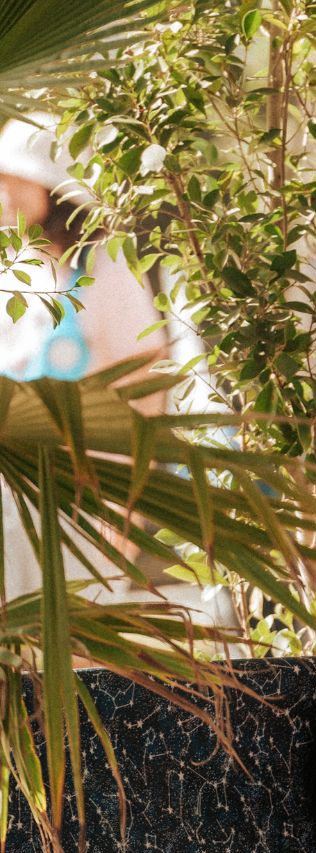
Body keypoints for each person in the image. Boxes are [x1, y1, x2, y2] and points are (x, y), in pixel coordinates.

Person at [0, 115, 167, 597]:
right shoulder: (11, 268)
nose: (4, 194)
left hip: (85, 506)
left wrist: (129, 504)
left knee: (77, 634)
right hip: (11, 503)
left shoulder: (104, 267)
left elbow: (145, 387)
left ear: (54, 188)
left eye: (16, 180)